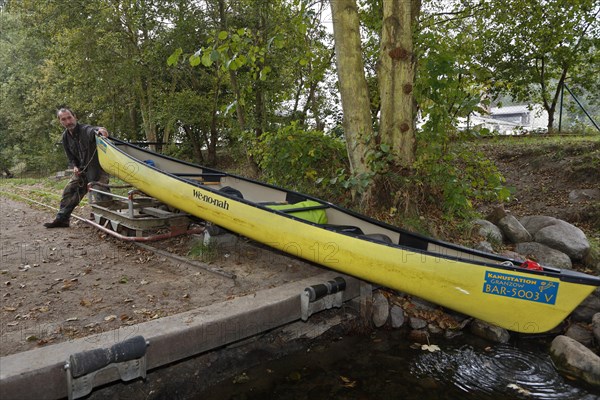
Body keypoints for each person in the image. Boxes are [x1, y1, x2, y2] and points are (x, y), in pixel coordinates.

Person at [44, 108, 111, 228]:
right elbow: (71, 158)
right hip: (82, 171)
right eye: (64, 119)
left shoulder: (85, 130)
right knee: (69, 191)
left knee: (100, 193)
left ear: (74, 117)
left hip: (97, 170)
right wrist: (74, 166)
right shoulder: (65, 137)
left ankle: (111, 222)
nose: (68, 121)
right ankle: (62, 220)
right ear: (60, 122)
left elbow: (95, 130)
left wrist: (102, 130)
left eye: (69, 117)